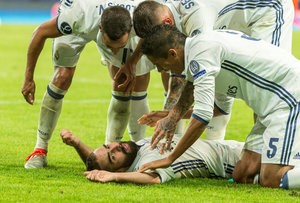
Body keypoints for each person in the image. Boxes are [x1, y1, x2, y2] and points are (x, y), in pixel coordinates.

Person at [138, 24, 300, 189]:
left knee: (272, 179)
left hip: (289, 98)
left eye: (158, 64)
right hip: (270, 108)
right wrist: (172, 115)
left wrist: (170, 159)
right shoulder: (202, 50)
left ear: (173, 54)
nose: (159, 70)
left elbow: (203, 116)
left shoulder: (200, 55)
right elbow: (219, 108)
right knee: (243, 174)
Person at [117, 0, 295, 141]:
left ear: (167, 23)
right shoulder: (164, 11)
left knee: (267, 85)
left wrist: (173, 116)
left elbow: (198, 69)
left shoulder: (197, 18)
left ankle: (276, 150)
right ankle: (218, 145)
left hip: (267, 10)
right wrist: (132, 62)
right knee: (218, 85)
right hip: (235, 23)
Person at [22, 1, 157, 169]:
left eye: (119, 47)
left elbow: (153, 30)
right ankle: (39, 150)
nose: (114, 52)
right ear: (101, 29)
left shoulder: (138, 16)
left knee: (128, 83)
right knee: (62, 77)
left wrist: (132, 61)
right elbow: (40, 32)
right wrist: (28, 78)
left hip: (117, 17)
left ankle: (120, 153)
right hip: (84, 20)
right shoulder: (77, 16)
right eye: (109, 47)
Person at [60, 129, 244, 184]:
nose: (116, 147)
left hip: (232, 146)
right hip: (235, 163)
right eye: (113, 156)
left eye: (109, 145)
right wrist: (114, 177)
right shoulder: (146, 164)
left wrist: (77, 143)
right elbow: (153, 178)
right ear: (122, 169)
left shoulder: (134, 149)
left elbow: (98, 160)